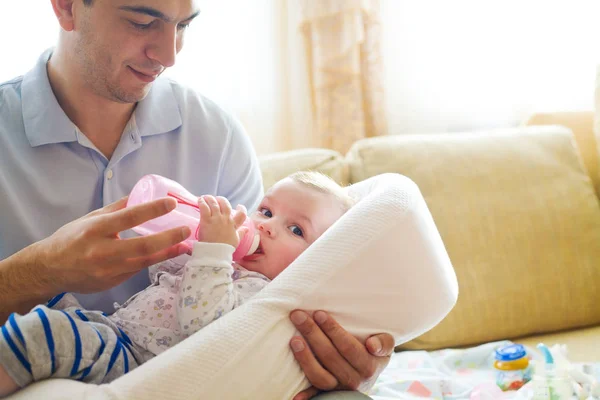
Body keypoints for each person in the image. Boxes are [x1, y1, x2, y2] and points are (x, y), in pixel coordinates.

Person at [0, 1, 394, 399]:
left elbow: (255, 305)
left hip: (181, 374)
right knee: (43, 331)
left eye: (183, 26)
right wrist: (38, 271)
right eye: (142, 22)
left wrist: (340, 359)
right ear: (67, 7)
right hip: (83, 345)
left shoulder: (217, 134)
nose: (169, 56)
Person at [0, 172, 357, 397]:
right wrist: (191, 234)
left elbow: (201, 322)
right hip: (114, 327)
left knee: (43, 335)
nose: (266, 226)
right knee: (50, 301)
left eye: (296, 230)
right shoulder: (222, 260)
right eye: (265, 211)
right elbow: (163, 277)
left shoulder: (259, 293)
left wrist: (213, 251)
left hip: (139, 361)